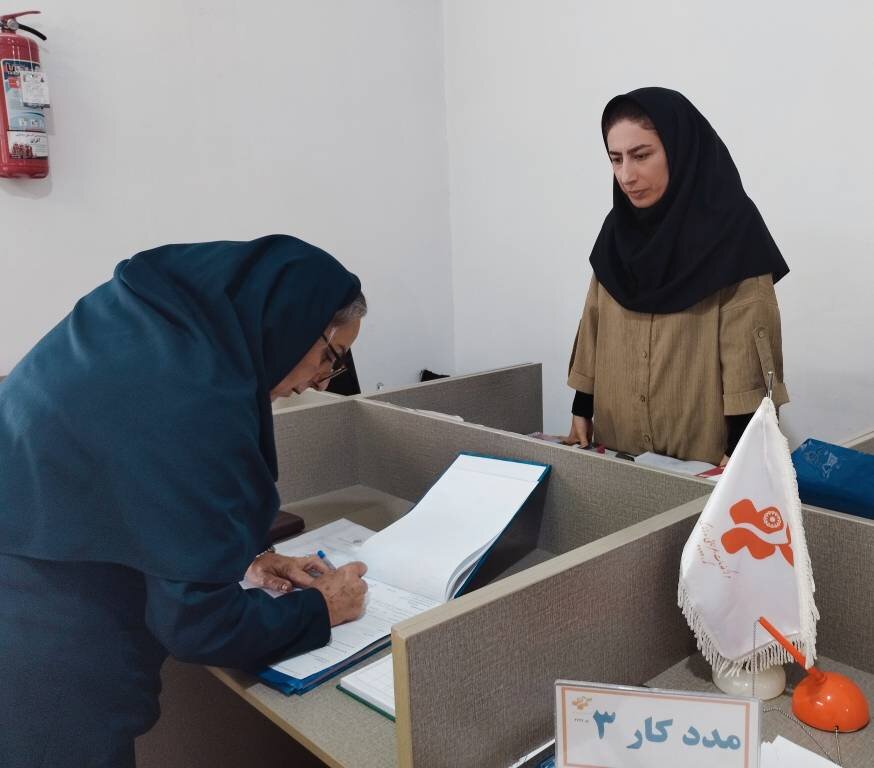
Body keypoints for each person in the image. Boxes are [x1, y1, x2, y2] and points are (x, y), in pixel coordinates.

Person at [0, 235, 370, 767]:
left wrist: (242, 557)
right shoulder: (198, 398)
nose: (320, 383)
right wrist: (321, 607)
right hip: (50, 650)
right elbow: (200, 627)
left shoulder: (152, 325)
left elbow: (133, 490)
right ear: (289, 321)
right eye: (330, 358)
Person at [565, 87, 790, 466]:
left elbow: (748, 355)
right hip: (617, 454)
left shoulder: (734, 232)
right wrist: (581, 406)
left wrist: (740, 454)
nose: (626, 175)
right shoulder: (617, 230)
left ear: (679, 148)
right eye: (615, 159)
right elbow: (594, 321)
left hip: (704, 466)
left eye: (641, 155)